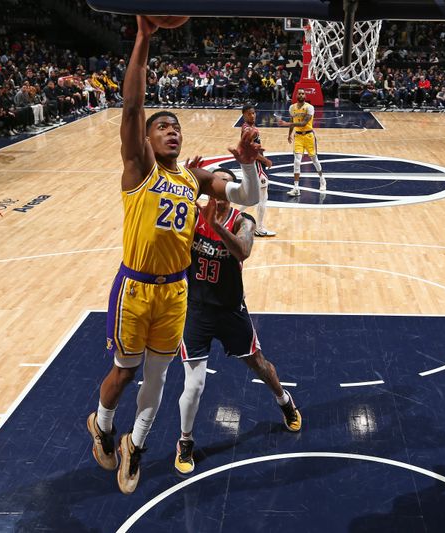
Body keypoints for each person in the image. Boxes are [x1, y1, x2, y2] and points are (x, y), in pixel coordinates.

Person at [86, 15, 262, 495]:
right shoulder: (139, 169)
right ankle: (102, 423)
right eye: (162, 127)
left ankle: (135, 446)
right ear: (145, 139)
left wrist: (246, 162)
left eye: (176, 127)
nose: (172, 131)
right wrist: (143, 38)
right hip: (135, 287)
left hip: (177, 291)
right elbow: (131, 106)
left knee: (158, 377)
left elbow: (245, 196)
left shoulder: (192, 179)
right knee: (124, 374)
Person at [174, 167, 300, 474]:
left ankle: (284, 400)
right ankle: (185, 441)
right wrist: (184, 181)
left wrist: (217, 228)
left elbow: (243, 251)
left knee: (260, 364)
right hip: (197, 311)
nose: (220, 193)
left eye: (227, 188)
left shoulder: (244, 221)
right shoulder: (192, 215)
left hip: (231, 311)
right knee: (194, 386)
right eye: (216, 187)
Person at [277, 88, 324, 197]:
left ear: (305, 96)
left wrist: (285, 124)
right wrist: (289, 134)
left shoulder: (309, 108)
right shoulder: (291, 108)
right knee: (297, 161)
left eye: (303, 94)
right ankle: (296, 187)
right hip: (298, 137)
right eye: (300, 93)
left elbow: (303, 123)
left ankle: (322, 179)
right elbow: (292, 122)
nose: (301, 95)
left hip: (309, 136)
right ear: (296, 95)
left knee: (314, 159)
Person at [241, 104, 276, 237]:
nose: (253, 115)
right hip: (255, 164)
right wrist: (264, 160)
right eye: (249, 114)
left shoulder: (250, 127)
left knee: (251, 195)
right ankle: (260, 228)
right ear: (244, 115)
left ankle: (232, 217)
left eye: (254, 113)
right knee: (262, 196)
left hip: (252, 164)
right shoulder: (248, 130)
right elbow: (249, 151)